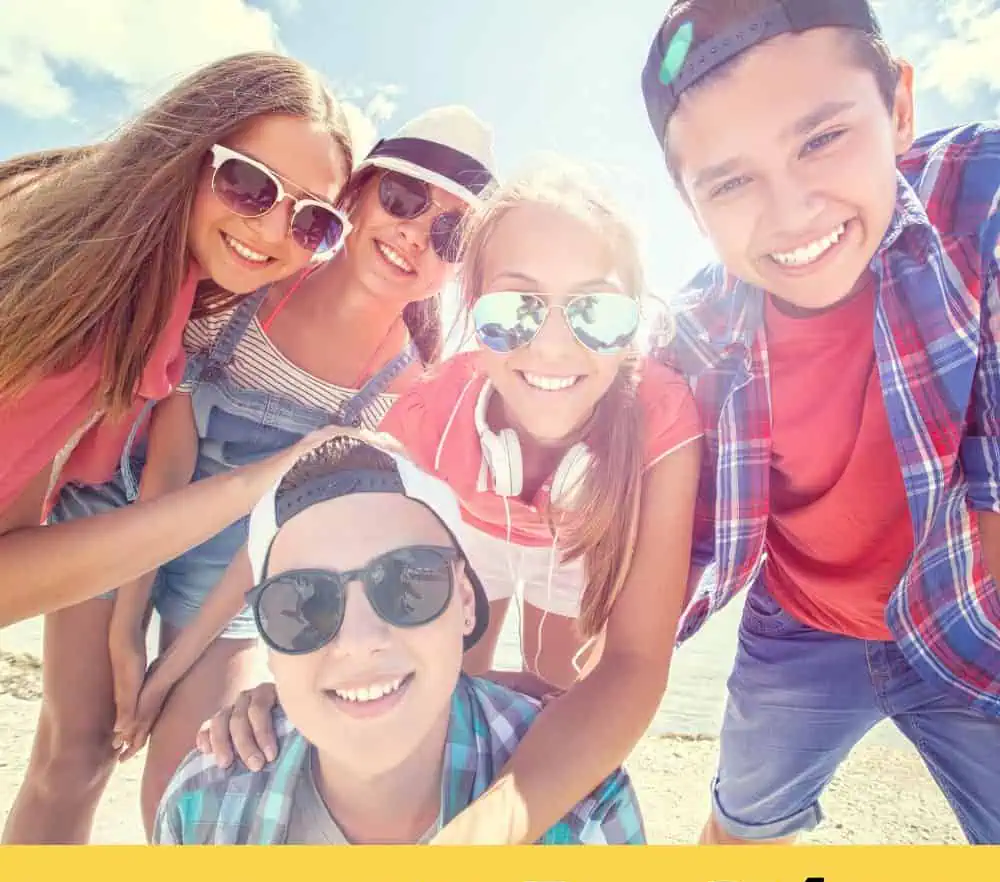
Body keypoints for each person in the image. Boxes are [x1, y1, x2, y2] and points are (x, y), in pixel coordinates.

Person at [187, 163, 701, 840]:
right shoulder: (434, 408)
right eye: (513, 309)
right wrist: (292, 687)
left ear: (633, 319)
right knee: (450, 682)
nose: (551, 345)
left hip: (579, 534)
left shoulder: (663, 414)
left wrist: (486, 836)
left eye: (596, 311)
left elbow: (634, 665)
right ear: (473, 312)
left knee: (560, 703)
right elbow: (296, 532)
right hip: (476, 528)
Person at [641, 0, 1000, 845]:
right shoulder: (694, 336)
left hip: (972, 609)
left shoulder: (981, 202)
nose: (792, 210)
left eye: (821, 138)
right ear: (691, 206)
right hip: (797, 627)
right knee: (739, 834)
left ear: (899, 109)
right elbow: (630, 556)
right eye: (729, 181)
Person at [102, 108, 497, 837]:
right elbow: (166, 468)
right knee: (72, 749)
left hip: (238, 589)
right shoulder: (244, 287)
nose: (414, 233)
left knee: (177, 792)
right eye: (405, 201)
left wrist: (166, 672)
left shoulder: (400, 389)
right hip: (128, 531)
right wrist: (126, 631)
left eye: (448, 235)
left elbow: (272, 543)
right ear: (360, 190)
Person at [0, 53, 355, 843]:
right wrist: (256, 482)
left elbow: (27, 503)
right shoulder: (85, 312)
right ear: (189, 150)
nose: (271, 230)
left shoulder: (146, 277)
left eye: (312, 223)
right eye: (249, 186)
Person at [153, 434, 645, 844]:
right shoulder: (203, 808)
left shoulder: (583, 813)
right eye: (302, 606)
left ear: (467, 601)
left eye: (408, 583)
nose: (360, 640)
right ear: (267, 641)